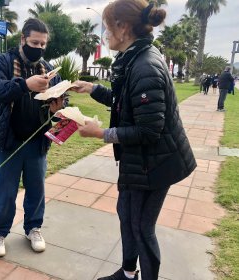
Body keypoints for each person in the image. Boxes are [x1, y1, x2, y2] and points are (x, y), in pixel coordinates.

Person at [72, 1, 197, 280]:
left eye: (106, 28)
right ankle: (128, 274)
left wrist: (101, 133)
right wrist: (92, 88)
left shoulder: (145, 65)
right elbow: (123, 101)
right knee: (126, 215)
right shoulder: (133, 57)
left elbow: (148, 131)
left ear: (123, 27)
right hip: (138, 161)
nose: (105, 35)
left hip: (156, 163)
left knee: (142, 227)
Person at [0, 18, 64, 257]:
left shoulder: (48, 69)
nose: (38, 48)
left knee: (37, 189)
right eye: (34, 42)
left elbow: (59, 101)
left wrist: (57, 107)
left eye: (42, 44)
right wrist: (25, 85)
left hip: (38, 141)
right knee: (5, 190)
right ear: (22, 39)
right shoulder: (1, 62)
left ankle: (34, 228)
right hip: (9, 140)